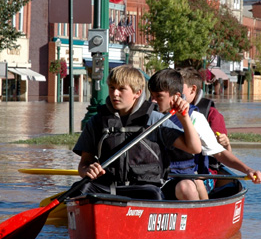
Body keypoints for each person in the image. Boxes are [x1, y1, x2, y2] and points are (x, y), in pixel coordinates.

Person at [74, 65, 200, 199]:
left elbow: (194, 148)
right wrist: (87, 170)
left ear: (137, 93)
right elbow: (84, 164)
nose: (115, 93)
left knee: (154, 195)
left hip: (145, 189)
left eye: (122, 89)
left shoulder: (155, 119)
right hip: (109, 188)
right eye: (112, 88)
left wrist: (184, 117)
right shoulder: (96, 122)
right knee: (81, 188)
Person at [148, 68, 227, 200]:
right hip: (159, 177)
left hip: (192, 177)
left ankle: (203, 213)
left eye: (158, 96)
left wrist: (247, 170)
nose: (152, 101)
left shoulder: (196, 117)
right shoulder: (150, 116)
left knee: (197, 182)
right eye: (151, 96)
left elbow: (219, 153)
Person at [178, 67, 261, 185]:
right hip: (175, 174)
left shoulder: (210, 115)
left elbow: (221, 152)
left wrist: (227, 144)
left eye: (178, 88)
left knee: (195, 183)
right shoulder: (163, 112)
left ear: (193, 89)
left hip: (203, 174)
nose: (175, 93)